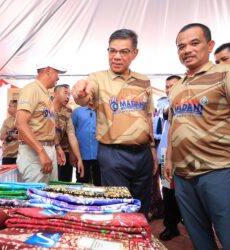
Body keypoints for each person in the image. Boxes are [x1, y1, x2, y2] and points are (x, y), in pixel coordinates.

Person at [164, 23, 230, 250]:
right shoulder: (177, 87)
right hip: (183, 177)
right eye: (181, 46)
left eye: (194, 43)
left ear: (210, 46)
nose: (186, 50)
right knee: (200, 241)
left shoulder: (228, 73)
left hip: (220, 172)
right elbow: (174, 125)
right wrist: (169, 160)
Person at [72, 29, 157, 215]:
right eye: (112, 51)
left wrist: (152, 151)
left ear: (135, 53)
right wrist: (79, 91)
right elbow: (84, 95)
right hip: (113, 154)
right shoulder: (98, 78)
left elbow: (147, 116)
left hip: (143, 154)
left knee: (141, 206)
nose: (116, 57)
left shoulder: (143, 81)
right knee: (118, 208)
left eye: (124, 52)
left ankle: (136, 243)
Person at [15, 60, 66, 184]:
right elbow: (20, 123)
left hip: (47, 149)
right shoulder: (31, 89)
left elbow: (47, 124)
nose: (58, 77)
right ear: (47, 70)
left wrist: (56, 146)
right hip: (35, 152)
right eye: (57, 72)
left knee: (50, 194)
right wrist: (41, 151)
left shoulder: (45, 93)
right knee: (36, 198)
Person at [157, 75, 182, 241]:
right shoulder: (163, 103)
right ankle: (171, 226)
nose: (169, 89)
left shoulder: (187, 101)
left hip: (186, 154)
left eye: (173, 85)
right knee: (168, 193)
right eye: (167, 86)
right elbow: (166, 112)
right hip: (166, 154)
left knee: (187, 193)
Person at [53, 84, 84, 181]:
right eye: (65, 93)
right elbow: (48, 130)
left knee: (65, 182)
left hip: (63, 151)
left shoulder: (67, 111)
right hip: (49, 150)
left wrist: (79, 158)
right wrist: (57, 147)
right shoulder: (46, 108)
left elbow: (71, 134)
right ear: (55, 94)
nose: (68, 97)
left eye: (69, 94)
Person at [72, 103, 101, 185]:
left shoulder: (101, 111)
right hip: (81, 155)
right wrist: (72, 154)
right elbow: (71, 133)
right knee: (81, 182)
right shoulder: (77, 112)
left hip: (99, 154)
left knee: (99, 183)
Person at [0, 100, 19, 165]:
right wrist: (13, 135)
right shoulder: (7, 121)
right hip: (7, 154)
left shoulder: (23, 120)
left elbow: (24, 136)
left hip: (19, 154)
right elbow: (1, 137)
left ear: (17, 107)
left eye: (10, 106)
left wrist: (9, 134)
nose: (8, 108)